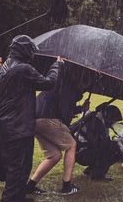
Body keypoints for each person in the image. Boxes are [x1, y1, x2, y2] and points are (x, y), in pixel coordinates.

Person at [0, 35, 60, 202]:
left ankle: (18, 196)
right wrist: (57, 65)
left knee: (22, 164)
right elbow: (48, 83)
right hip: (17, 124)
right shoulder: (23, 68)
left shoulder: (7, 65)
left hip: (9, 123)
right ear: (24, 50)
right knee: (18, 165)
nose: (32, 53)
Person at [26, 66, 90, 195]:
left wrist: (80, 108)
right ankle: (67, 186)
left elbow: (62, 106)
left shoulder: (62, 83)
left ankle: (30, 186)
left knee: (54, 156)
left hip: (35, 120)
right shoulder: (69, 88)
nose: (85, 88)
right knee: (71, 145)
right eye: (85, 85)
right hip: (48, 118)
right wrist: (79, 108)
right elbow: (64, 113)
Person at [73, 104, 123, 181]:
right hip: (81, 154)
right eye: (113, 121)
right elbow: (99, 144)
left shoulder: (99, 120)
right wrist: (118, 144)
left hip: (83, 151)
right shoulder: (95, 122)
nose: (112, 123)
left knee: (113, 148)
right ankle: (97, 175)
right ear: (108, 117)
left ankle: (92, 171)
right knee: (115, 149)